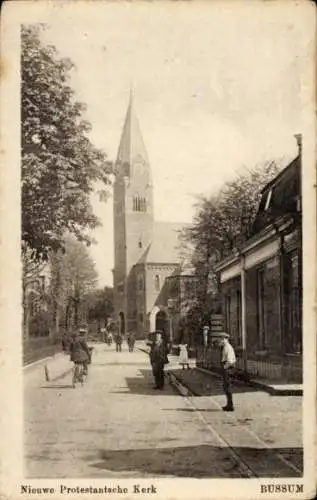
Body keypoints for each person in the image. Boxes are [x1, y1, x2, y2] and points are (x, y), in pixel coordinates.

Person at [213, 332, 236, 412]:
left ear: (225, 339)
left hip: (227, 368)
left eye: (222, 339)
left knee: (227, 386)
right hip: (227, 367)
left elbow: (230, 360)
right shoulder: (225, 347)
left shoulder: (228, 348)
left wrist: (224, 367)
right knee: (226, 387)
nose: (220, 341)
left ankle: (230, 406)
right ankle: (229, 405)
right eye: (220, 339)